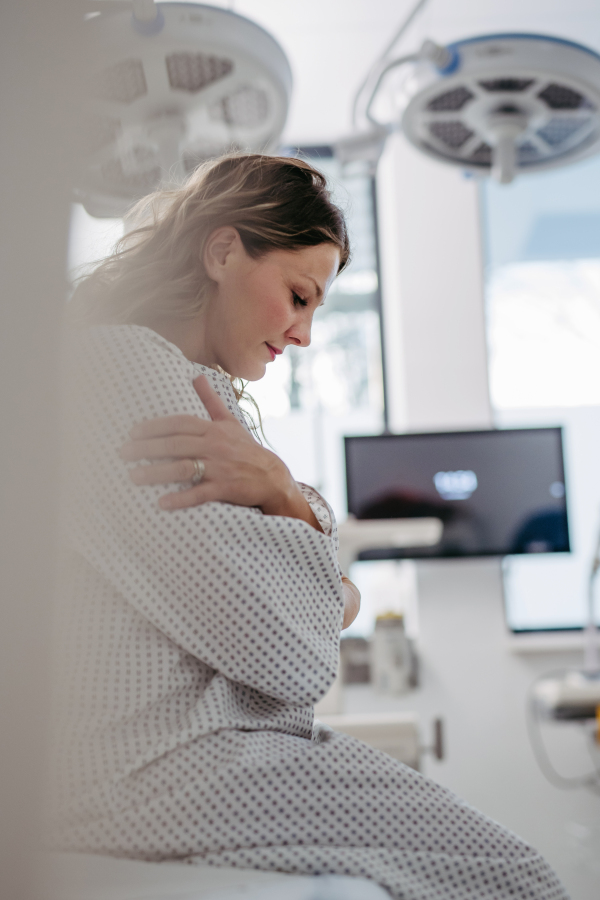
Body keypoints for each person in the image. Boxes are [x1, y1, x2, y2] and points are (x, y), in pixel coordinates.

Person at [51, 154, 569, 900]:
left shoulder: (188, 393)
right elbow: (291, 657)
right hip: (149, 768)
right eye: (299, 296)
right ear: (223, 250)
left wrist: (282, 493)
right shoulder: (128, 372)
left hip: (170, 759)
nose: (304, 334)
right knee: (516, 878)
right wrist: (323, 568)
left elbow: (290, 602)